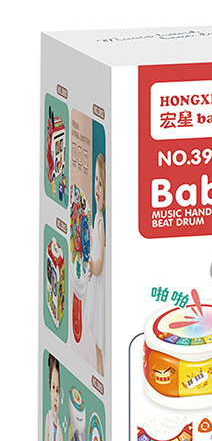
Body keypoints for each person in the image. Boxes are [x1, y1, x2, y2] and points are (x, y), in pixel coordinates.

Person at [86, 153, 106, 376]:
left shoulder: (101, 223)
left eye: (101, 183)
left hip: (99, 287)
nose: (97, 187)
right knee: (95, 342)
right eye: (96, 181)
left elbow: (99, 265)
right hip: (94, 285)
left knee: (100, 344)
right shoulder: (95, 216)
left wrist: (92, 266)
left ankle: (101, 376)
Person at [44, 353, 66, 441]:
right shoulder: (48, 419)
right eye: (53, 388)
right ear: (49, 389)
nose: (55, 397)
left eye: (57, 390)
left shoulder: (60, 429)